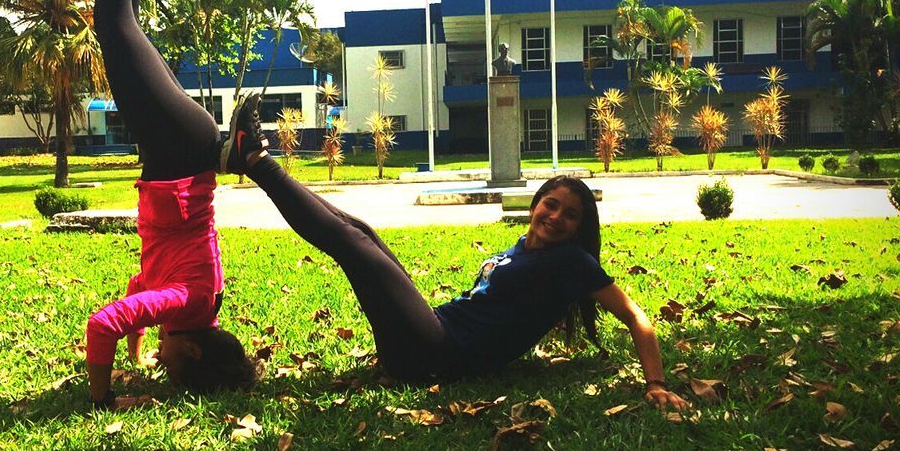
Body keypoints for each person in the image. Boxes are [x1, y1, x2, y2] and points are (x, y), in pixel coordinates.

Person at [220, 97, 688, 409]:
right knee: (360, 230)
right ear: (536, 204)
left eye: (570, 215)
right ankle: (250, 158)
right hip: (430, 335)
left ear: (579, 229)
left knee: (354, 246)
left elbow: (636, 318)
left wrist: (656, 384)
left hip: (434, 353)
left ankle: (255, 159)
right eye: (552, 204)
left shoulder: (570, 263)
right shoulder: (523, 248)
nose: (556, 217)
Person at [41, 0, 260, 406]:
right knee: (115, 23)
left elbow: (138, 294)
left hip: (178, 154)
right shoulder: (187, 302)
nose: (160, 362)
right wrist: (103, 398)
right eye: (168, 363)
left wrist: (136, 354)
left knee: (125, 19)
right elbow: (103, 323)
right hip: (178, 153)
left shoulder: (189, 306)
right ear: (189, 350)